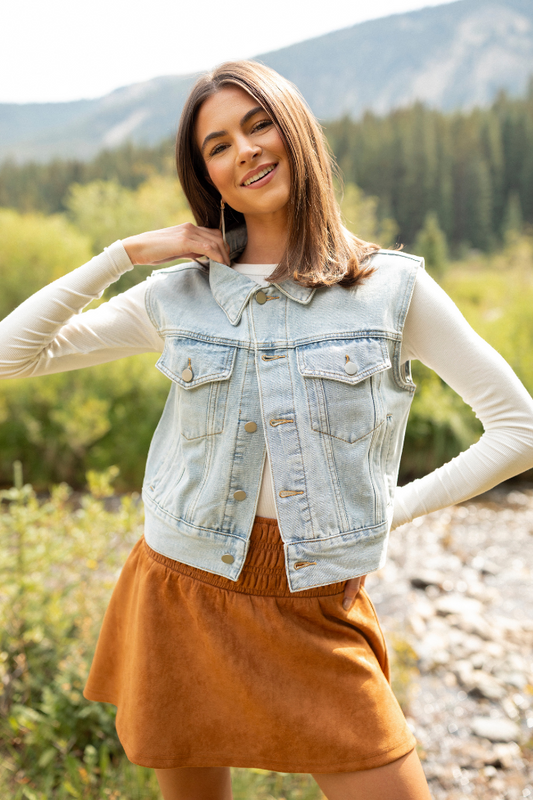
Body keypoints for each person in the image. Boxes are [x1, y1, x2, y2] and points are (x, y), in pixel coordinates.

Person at [1, 60, 532, 800]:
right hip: (180, 591)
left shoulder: (390, 289)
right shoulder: (177, 295)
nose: (244, 151)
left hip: (317, 602)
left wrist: (394, 509)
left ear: (296, 131)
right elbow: (10, 355)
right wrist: (124, 255)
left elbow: (517, 429)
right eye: (217, 145)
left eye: (258, 125)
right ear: (207, 176)